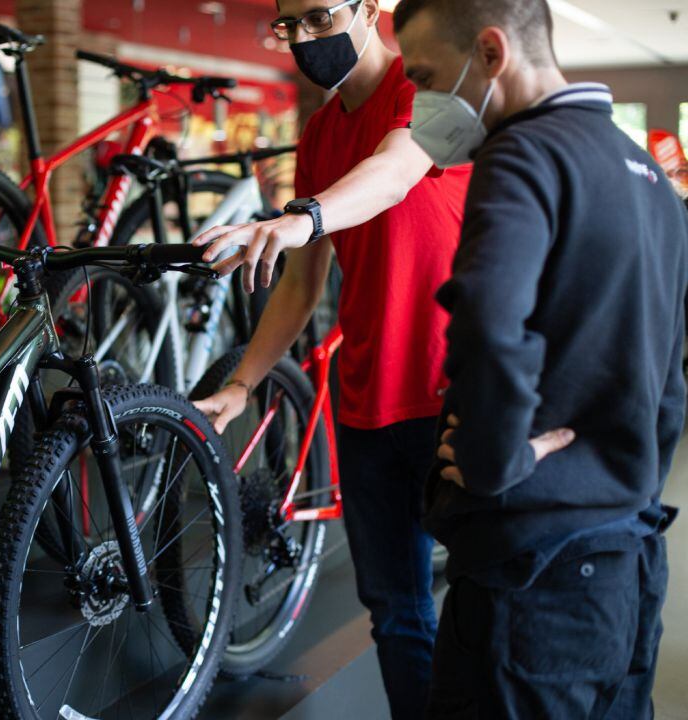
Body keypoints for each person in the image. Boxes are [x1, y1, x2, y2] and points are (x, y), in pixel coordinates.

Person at [392, 0, 688, 716]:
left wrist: (495, 462)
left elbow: (489, 324)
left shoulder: (524, 153)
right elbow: (670, 375)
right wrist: (624, 475)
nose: (423, 101)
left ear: (491, 52)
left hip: (537, 569)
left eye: (427, 75)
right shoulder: (647, 174)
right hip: (629, 559)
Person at [191, 1, 470, 716]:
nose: (305, 40)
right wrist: (244, 382)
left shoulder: (429, 87)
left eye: (320, 17)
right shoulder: (318, 135)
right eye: (292, 26)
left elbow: (395, 172)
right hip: (366, 402)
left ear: (369, 7)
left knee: (484, 605)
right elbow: (302, 281)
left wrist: (303, 215)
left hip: (455, 394)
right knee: (398, 610)